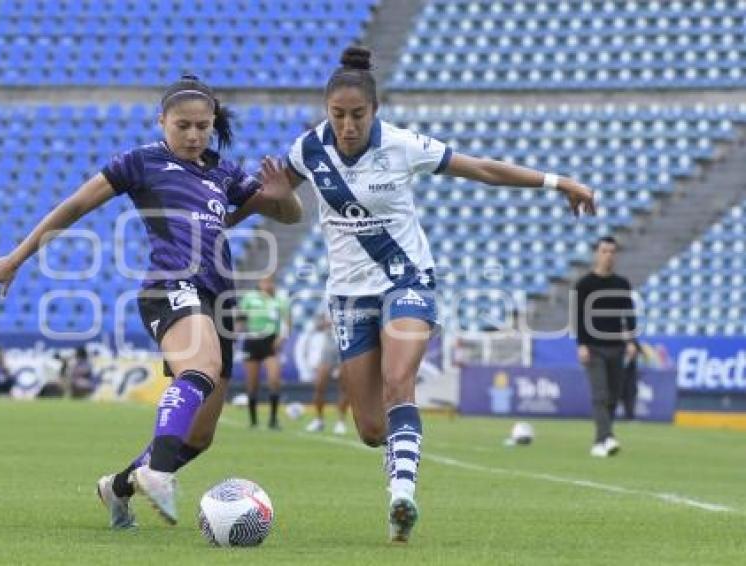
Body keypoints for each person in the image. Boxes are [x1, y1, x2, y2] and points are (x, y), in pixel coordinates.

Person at [236, 46, 596, 542]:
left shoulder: (404, 145)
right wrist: (226, 215)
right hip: (347, 296)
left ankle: (401, 495)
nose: (347, 125)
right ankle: (398, 452)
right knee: (369, 428)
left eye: (357, 115)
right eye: (338, 115)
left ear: (375, 111)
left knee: (398, 379)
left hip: (407, 280)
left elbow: (482, 169)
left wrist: (559, 182)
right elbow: (269, 199)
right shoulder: (307, 151)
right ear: (326, 112)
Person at [0, 74, 302, 529]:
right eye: (183, 125)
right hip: (170, 285)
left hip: (220, 299)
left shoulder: (224, 171)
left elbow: (283, 211)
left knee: (200, 436)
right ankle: (158, 474)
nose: (193, 134)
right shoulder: (141, 162)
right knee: (198, 369)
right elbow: (75, 206)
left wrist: (283, 199)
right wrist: (18, 257)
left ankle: (117, 487)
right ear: (161, 120)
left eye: (203, 126)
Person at [573, 236, 637, 457]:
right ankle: (607, 437)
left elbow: (628, 315)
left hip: (616, 347)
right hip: (593, 347)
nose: (608, 255)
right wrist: (581, 345)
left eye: (612, 251)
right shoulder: (584, 285)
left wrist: (631, 341)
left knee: (613, 395)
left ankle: (601, 440)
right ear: (596, 254)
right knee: (599, 394)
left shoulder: (622, 284)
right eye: (604, 251)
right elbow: (578, 318)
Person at [238, 275, 289, 429]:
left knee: (274, 380)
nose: (268, 285)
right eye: (265, 282)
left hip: (270, 342)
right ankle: (253, 421)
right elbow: (240, 318)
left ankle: (273, 419)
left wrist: (281, 337)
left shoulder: (279, 299)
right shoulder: (249, 297)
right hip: (252, 341)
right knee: (252, 384)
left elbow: (287, 320)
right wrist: (238, 331)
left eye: (270, 282)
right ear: (259, 283)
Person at [305, 312, 349, 435]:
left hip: (346, 345)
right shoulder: (327, 301)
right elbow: (316, 323)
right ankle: (319, 419)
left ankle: (341, 421)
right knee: (319, 384)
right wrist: (324, 323)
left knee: (344, 386)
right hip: (328, 347)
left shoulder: (352, 299)